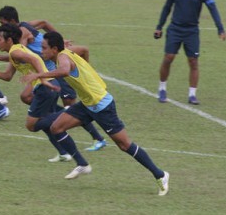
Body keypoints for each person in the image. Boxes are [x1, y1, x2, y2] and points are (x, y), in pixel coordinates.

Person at [23, 32, 169, 196]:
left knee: (124, 145)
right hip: (86, 104)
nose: (41, 51)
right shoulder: (65, 53)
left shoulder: (63, 58)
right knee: (56, 127)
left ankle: (160, 175)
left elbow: (64, 71)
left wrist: (39, 74)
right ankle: (82, 164)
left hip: (102, 105)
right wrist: (87, 72)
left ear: (55, 49)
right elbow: (84, 50)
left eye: (44, 48)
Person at [0, 6, 106, 154]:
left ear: (12, 21)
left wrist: (57, 43)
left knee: (71, 108)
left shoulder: (23, 33)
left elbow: (22, 55)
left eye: (3, 22)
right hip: (47, 70)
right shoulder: (24, 27)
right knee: (27, 97)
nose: (2, 26)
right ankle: (63, 144)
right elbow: (43, 24)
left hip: (55, 70)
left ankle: (97, 138)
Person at [0, 23, 76, 162]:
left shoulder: (15, 52)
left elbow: (35, 58)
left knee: (32, 125)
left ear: (9, 40)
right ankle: (63, 152)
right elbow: (7, 76)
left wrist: (42, 78)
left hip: (45, 88)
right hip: (49, 86)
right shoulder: (16, 51)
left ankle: (69, 112)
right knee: (46, 122)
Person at [154, 0, 226, 105]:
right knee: (169, 57)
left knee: (193, 62)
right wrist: (159, 26)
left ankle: (192, 94)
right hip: (175, 29)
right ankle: (162, 88)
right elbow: (167, 8)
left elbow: (213, 9)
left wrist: (220, 28)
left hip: (192, 31)